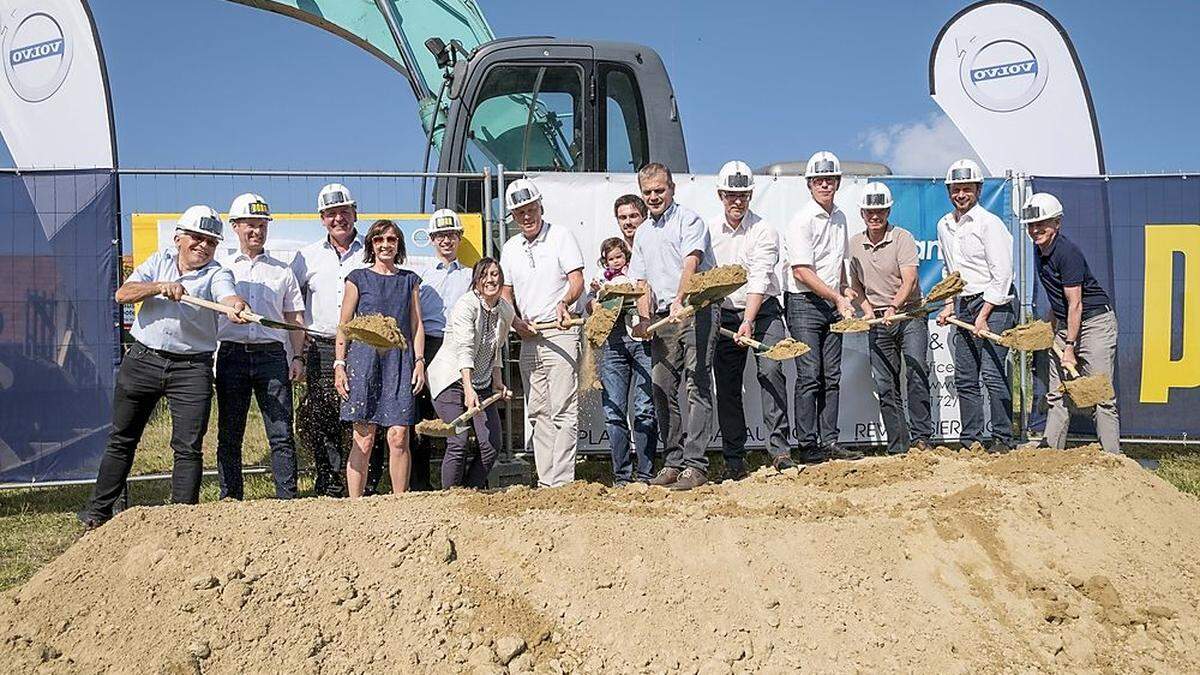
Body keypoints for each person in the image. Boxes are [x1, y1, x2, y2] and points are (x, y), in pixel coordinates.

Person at [79, 206, 249, 527]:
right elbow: (122, 294)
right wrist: (160, 286)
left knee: (188, 447)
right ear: (178, 238)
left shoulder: (217, 273)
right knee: (122, 439)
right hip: (142, 361)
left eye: (211, 242)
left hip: (191, 370)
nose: (203, 246)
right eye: (197, 238)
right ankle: (97, 515)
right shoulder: (157, 262)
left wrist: (235, 307)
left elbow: (228, 298)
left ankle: (180, 522)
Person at [630, 162, 717, 491]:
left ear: (672, 189)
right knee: (661, 386)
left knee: (696, 385)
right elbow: (642, 282)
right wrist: (644, 319)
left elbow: (691, 262)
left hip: (697, 308)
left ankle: (696, 466)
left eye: (659, 191)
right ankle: (673, 460)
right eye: (648, 192)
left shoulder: (689, 220)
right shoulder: (641, 233)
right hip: (665, 317)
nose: (654, 197)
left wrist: (682, 299)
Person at [215, 193, 305, 499]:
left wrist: (298, 357)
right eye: (250, 225)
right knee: (230, 433)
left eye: (262, 225)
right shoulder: (221, 269)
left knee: (281, 433)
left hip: (272, 356)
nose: (257, 231)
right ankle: (230, 497)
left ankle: (287, 499)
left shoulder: (283, 271)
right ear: (235, 227)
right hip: (231, 355)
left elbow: (294, 318)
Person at [708, 160, 794, 477]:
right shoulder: (709, 233)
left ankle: (780, 451)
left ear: (750, 195)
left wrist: (749, 320)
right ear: (721, 195)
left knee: (771, 372)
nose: (737, 201)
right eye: (731, 194)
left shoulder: (764, 230)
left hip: (764, 312)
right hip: (725, 316)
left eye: (743, 194)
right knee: (728, 386)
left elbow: (759, 276)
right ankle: (733, 459)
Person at [500, 179, 585, 487]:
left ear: (540, 207)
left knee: (562, 407)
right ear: (512, 216)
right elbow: (505, 293)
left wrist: (564, 302)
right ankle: (547, 481)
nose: (526, 216)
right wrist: (515, 321)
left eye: (531, 209)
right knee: (538, 411)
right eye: (520, 212)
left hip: (559, 332)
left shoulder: (561, 236)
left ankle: (562, 482)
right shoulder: (510, 248)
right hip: (529, 336)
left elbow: (577, 280)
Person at [1021, 192, 1120, 453]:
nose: (1035, 230)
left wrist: (1069, 347)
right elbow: (1059, 300)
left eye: (1041, 224)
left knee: (1101, 395)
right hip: (1067, 323)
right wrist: (1048, 325)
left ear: (1057, 223)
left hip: (1094, 322)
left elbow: (1076, 303)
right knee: (1057, 393)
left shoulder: (1068, 252)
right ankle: (1051, 453)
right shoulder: (1039, 251)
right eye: (1031, 225)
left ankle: (1114, 460)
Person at [334, 220, 425, 497]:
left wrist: (419, 361)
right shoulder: (357, 278)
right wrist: (340, 364)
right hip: (363, 362)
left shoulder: (409, 280)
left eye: (391, 239)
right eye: (379, 239)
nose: (385, 244)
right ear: (371, 244)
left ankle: (399, 502)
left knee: (398, 438)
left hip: (399, 363)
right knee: (363, 439)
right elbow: (344, 324)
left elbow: (416, 325)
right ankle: (355, 506)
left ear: (399, 245)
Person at [290, 183, 368, 497]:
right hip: (321, 346)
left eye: (344, 212)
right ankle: (329, 480)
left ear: (355, 213)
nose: (339, 219)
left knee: (361, 415)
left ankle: (363, 484)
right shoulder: (306, 257)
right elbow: (291, 301)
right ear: (322, 218)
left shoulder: (370, 252)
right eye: (331, 214)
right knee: (322, 415)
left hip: (361, 346)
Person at [784, 151, 862, 463]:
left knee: (831, 375)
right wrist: (838, 297)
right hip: (804, 303)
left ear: (838, 182)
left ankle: (829, 441)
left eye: (830, 180)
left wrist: (845, 289)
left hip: (831, 302)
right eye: (819, 180)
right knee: (809, 376)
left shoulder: (841, 217)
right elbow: (801, 271)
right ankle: (806, 444)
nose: (825, 185)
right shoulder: (801, 220)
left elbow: (838, 264)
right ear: (810, 184)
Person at [935, 159, 1017, 453]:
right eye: (956, 190)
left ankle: (1003, 438)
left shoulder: (989, 224)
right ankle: (971, 438)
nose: (960, 195)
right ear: (949, 191)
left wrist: (983, 316)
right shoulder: (944, 225)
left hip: (995, 304)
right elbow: (950, 274)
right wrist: (949, 306)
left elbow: (1003, 276)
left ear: (979, 190)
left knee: (993, 373)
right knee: (965, 376)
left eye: (966, 189)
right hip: (964, 303)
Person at [846, 183, 933, 455]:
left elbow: (910, 280)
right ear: (862, 213)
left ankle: (922, 439)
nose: (875, 216)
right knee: (886, 383)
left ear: (888, 210)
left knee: (917, 372)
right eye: (870, 211)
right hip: (879, 321)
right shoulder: (854, 245)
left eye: (880, 211)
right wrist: (868, 309)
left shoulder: (902, 238)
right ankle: (898, 446)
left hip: (909, 315)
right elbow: (856, 286)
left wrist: (895, 306)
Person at [427, 257, 515, 488]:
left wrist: (497, 381)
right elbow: (464, 349)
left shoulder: (505, 310)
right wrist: (468, 389)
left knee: (491, 444)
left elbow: (497, 347)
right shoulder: (466, 305)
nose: (490, 280)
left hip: (483, 381)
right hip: (452, 378)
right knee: (459, 440)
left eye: (495, 274)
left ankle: (470, 490)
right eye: (484, 275)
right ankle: (451, 496)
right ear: (476, 281)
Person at [409, 209, 473, 490]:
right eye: (440, 236)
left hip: (459, 347)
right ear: (431, 240)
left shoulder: (472, 275)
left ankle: (455, 484)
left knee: (458, 416)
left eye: (451, 235)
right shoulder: (419, 277)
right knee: (421, 416)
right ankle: (420, 485)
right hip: (429, 344)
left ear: (459, 238)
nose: (446, 240)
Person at [588, 236, 656, 485]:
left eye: (619, 256)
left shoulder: (641, 265)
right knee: (614, 411)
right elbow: (589, 303)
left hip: (641, 338)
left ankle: (646, 474)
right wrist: (596, 302)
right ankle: (622, 477)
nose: (615, 261)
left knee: (644, 409)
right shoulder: (602, 277)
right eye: (610, 258)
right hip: (613, 340)